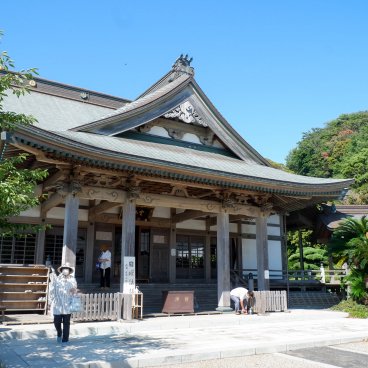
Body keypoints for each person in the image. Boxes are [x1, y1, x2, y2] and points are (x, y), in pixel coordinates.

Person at [48, 262, 77, 344]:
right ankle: (59, 333)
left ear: (69, 270)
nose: (65, 270)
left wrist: (73, 301)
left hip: (67, 304)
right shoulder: (57, 279)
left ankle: (65, 338)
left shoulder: (72, 279)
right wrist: (51, 300)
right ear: (61, 270)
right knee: (56, 322)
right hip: (58, 304)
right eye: (64, 268)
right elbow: (52, 290)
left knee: (66, 323)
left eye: (67, 269)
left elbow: (74, 291)